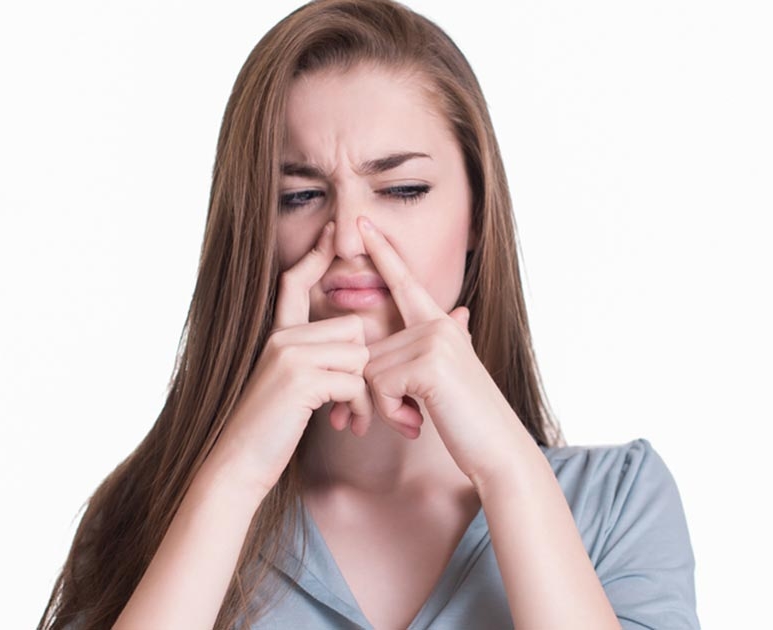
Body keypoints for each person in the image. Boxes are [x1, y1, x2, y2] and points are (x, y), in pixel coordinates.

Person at [37, 1, 699, 628]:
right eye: (299, 196)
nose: (350, 238)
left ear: (477, 213)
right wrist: (235, 477)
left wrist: (508, 468)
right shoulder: (149, 516)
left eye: (402, 189)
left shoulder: (618, 504)